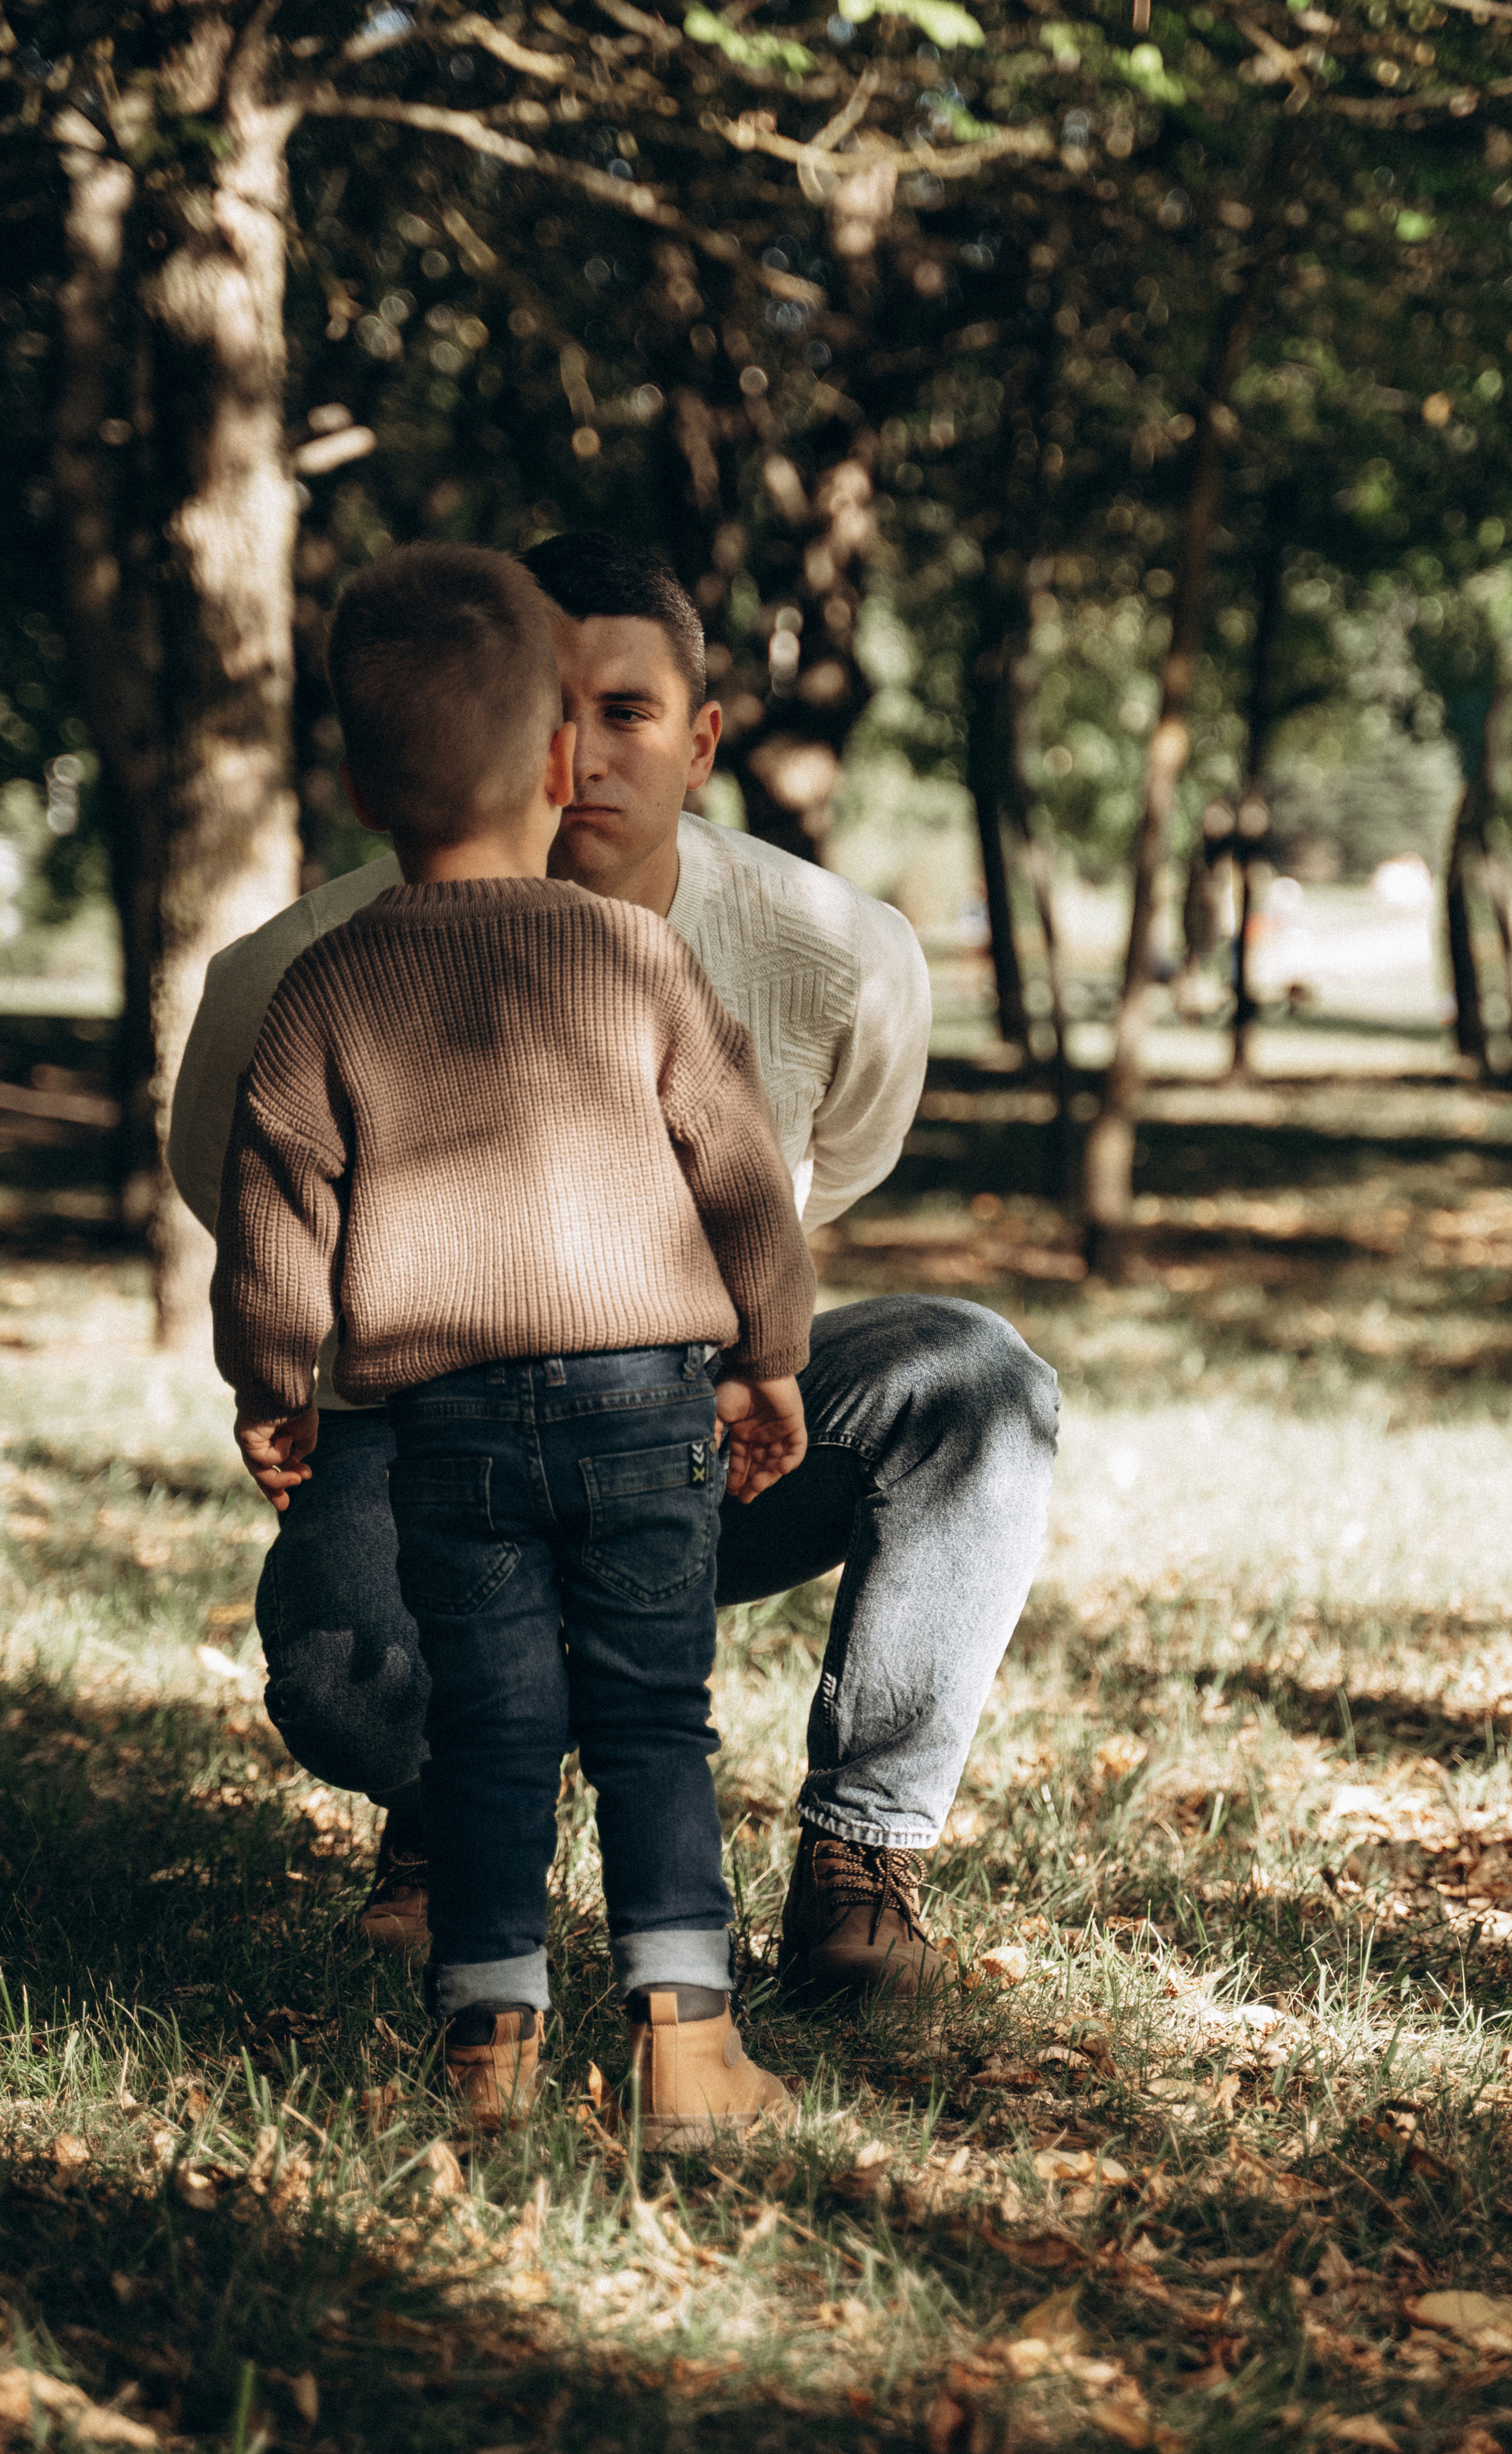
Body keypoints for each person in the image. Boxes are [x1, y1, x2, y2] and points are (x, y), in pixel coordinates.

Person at [170, 530, 1060, 2007]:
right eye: (550, 714)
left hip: (697, 1423)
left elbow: (804, 1187)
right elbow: (251, 1206)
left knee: (977, 1380)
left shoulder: (843, 959)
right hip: (428, 1451)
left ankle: (860, 1862)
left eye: (628, 712)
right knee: (343, 1682)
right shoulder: (293, 979)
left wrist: (739, 1356)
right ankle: (458, 1801)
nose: (583, 754)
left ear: (702, 739)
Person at [211, 542, 817, 2138]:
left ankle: (488, 2051)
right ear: (559, 760)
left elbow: (279, 1219)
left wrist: (274, 1393)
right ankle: (688, 2047)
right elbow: (740, 1173)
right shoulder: (634, 958)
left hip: (448, 1435)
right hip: (645, 1412)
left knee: (491, 1735)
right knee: (646, 1724)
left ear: (354, 779)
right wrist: (768, 1351)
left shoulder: (324, 990)